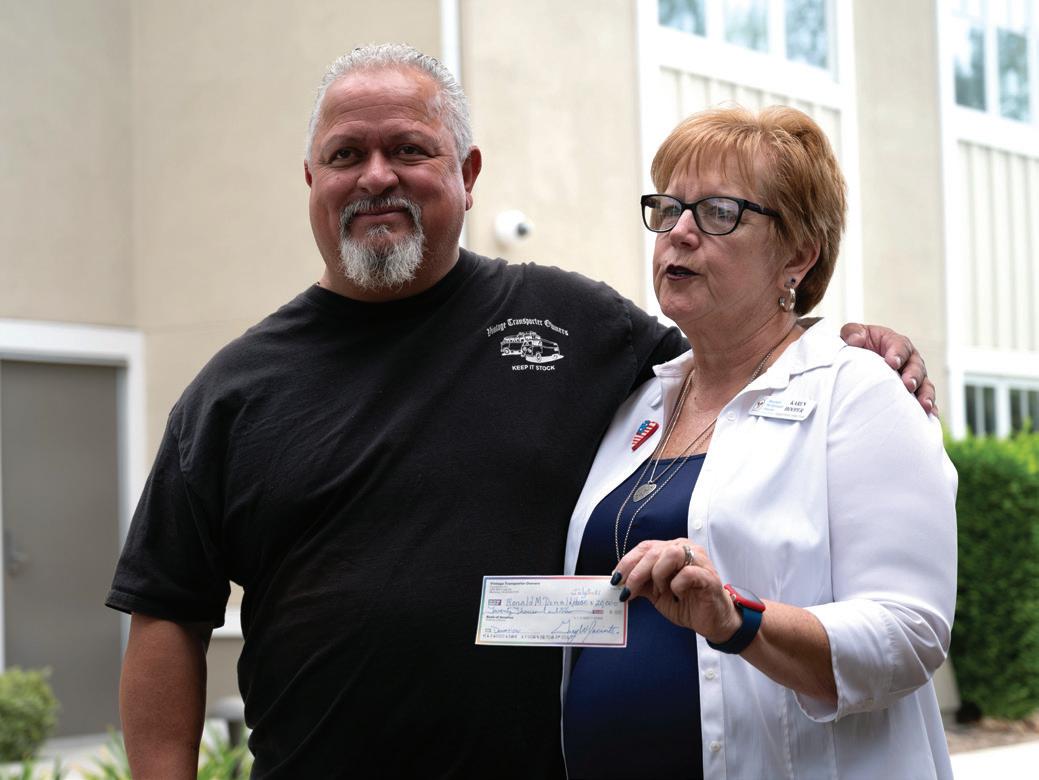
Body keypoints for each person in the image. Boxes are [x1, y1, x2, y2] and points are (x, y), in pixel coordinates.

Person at [106, 45, 937, 778]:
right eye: (345, 154)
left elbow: (744, 353)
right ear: (311, 179)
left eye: (409, 149)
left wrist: (858, 343)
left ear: (468, 174)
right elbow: (168, 612)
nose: (376, 176)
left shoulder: (573, 324)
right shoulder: (234, 392)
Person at [561, 105, 956, 779]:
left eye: (718, 212)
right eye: (667, 208)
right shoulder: (636, 404)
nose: (679, 231)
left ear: (797, 255)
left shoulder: (858, 389)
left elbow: (909, 631)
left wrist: (739, 620)